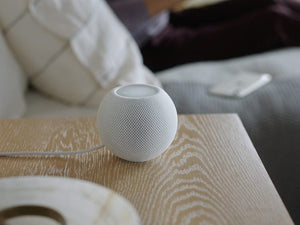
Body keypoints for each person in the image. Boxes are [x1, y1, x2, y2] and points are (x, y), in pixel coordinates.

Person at [108, 0, 300, 71]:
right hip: (145, 45)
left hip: (160, 20)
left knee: (270, 2)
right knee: (272, 22)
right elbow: (125, 15)